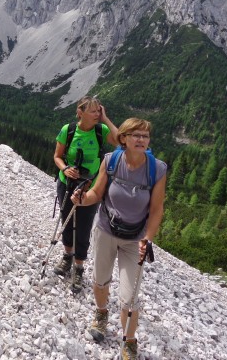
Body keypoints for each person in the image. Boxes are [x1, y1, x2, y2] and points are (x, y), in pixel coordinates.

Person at [70, 117, 167, 360]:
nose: (142, 140)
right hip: (105, 229)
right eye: (136, 135)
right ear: (123, 138)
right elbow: (96, 194)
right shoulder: (111, 161)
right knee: (100, 280)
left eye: (145, 136)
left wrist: (148, 239)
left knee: (130, 296)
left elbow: (156, 210)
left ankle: (129, 340)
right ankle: (102, 313)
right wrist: (81, 199)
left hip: (135, 239)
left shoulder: (157, 169)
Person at [53, 96, 118, 292]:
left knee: (84, 225)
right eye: (93, 111)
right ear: (80, 112)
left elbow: (121, 141)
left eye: (99, 110)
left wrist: (106, 119)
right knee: (67, 220)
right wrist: (65, 169)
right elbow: (57, 156)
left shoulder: (101, 130)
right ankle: (67, 256)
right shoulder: (69, 130)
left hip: (91, 186)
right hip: (67, 183)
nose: (97, 114)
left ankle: (78, 267)